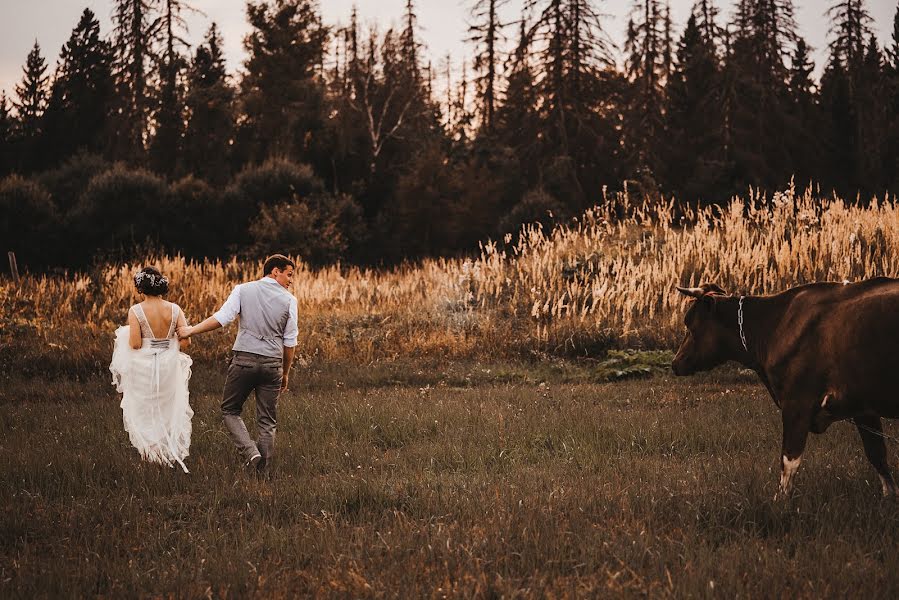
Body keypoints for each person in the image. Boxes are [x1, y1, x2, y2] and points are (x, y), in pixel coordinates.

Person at [178, 254, 298, 477]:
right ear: (275, 271)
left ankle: (251, 452)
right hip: (273, 364)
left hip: (244, 360)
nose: (291, 281)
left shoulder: (243, 290)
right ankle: (264, 473)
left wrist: (191, 330)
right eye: (289, 275)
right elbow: (289, 342)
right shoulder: (290, 301)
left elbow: (222, 318)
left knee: (230, 410)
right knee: (267, 420)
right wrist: (285, 373)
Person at [110, 266, 194, 473]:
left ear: (141, 287)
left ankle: (151, 452)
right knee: (167, 405)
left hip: (144, 365)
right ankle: (167, 448)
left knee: (145, 406)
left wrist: (127, 334)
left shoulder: (136, 311)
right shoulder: (175, 310)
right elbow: (186, 343)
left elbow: (136, 344)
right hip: (168, 363)